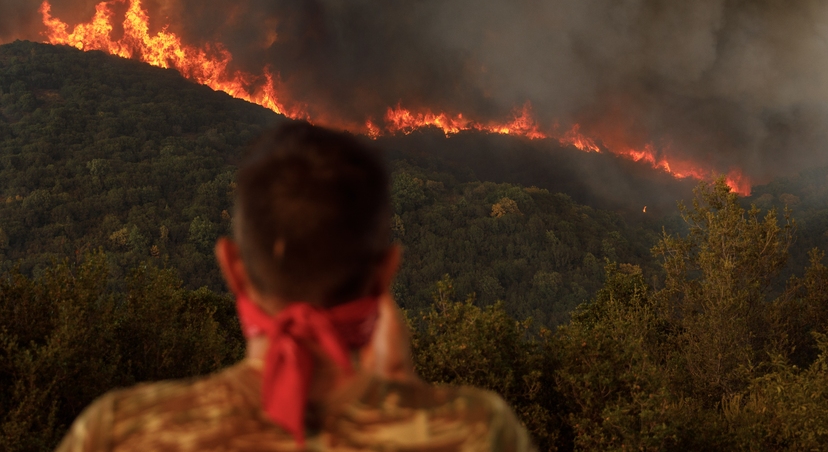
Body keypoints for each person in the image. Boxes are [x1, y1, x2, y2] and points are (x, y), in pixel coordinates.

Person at [54, 121, 533, 451]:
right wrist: (404, 399)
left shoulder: (118, 432)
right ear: (386, 274)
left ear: (232, 268)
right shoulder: (478, 431)